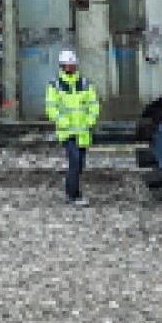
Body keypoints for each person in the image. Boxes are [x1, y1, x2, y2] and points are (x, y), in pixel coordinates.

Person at [44, 48, 99, 205]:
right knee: (75, 161)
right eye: (67, 65)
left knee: (79, 163)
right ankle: (75, 195)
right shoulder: (55, 85)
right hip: (67, 132)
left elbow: (93, 104)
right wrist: (63, 121)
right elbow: (51, 108)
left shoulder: (85, 83)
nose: (70, 68)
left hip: (82, 132)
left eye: (72, 65)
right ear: (61, 66)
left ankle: (70, 191)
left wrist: (90, 120)